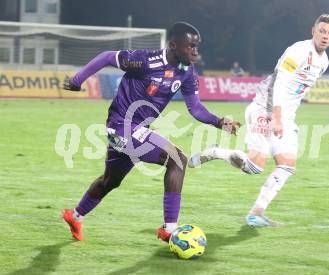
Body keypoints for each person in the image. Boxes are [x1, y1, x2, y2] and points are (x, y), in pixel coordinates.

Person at [61, 22, 240, 242]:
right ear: (174, 45)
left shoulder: (186, 71)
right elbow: (107, 56)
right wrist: (78, 81)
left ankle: (75, 215)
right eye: (191, 46)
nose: (195, 52)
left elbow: (195, 108)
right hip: (121, 126)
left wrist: (218, 122)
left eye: (197, 47)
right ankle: (169, 229)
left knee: (111, 181)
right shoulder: (145, 60)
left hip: (137, 130)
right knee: (178, 159)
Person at [188, 14, 329, 227]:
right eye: (322, 31)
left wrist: (284, 118)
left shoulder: (324, 62)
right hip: (265, 109)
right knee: (255, 167)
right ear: (313, 31)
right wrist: (276, 118)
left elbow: (296, 92)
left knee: (287, 166)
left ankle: (256, 214)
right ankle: (215, 152)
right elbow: (281, 83)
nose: (325, 36)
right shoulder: (299, 51)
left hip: (284, 116)